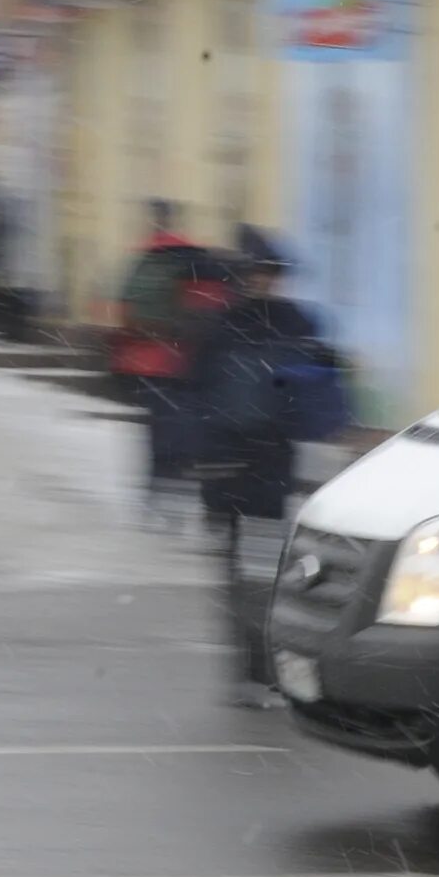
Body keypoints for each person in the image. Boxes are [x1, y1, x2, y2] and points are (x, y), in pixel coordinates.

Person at [182, 230, 341, 707]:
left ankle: (269, 669)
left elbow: (317, 396)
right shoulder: (219, 329)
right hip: (228, 468)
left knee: (271, 574)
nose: (265, 283)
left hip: (274, 465)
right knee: (244, 575)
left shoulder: (296, 324)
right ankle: (251, 671)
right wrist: (202, 464)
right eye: (257, 275)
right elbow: (199, 401)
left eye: (271, 275)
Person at [113, 201, 230, 530]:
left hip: (149, 364)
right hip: (186, 362)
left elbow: (124, 310)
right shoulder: (195, 259)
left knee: (158, 436)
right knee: (185, 435)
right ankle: (179, 499)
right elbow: (211, 310)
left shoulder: (146, 257)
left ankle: (157, 498)